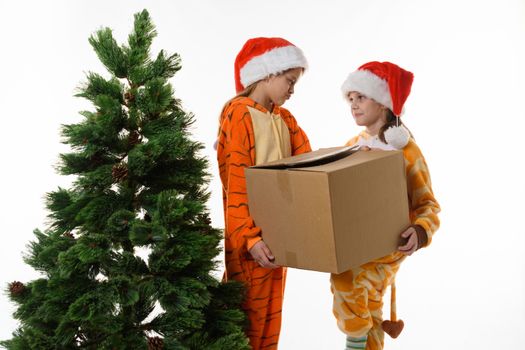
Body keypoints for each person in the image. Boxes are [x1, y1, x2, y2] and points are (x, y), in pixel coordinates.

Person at [330, 61, 440, 350]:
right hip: (358, 238)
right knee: (369, 307)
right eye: (350, 99)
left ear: (384, 102)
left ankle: (354, 340)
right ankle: (366, 342)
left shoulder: (405, 150)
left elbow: (428, 203)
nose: (353, 105)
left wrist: (420, 230)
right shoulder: (353, 145)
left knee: (347, 277)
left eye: (361, 97)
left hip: (389, 244)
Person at [216, 37, 311, 349]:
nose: (292, 91)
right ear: (269, 73)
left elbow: (311, 164)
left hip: (278, 239)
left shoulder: (284, 119)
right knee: (246, 324)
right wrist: (250, 238)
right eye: (289, 81)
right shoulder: (239, 113)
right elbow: (236, 183)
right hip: (250, 243)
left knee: (270, 322)